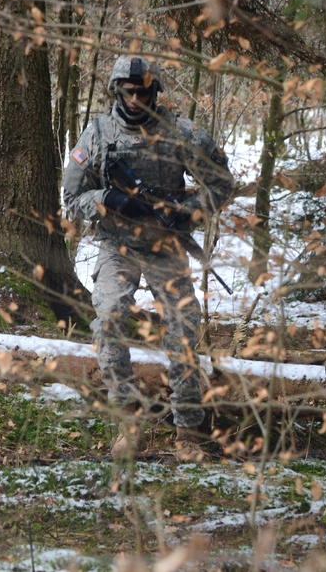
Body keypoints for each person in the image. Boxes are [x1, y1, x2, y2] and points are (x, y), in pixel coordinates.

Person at [62, 55, 234, 461]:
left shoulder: (180, 132)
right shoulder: (98, 135)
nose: (136, 98)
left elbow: (221, 182)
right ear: (116, 90)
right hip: (117, 245)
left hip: (166, 247)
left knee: (184, 329)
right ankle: (128, 422)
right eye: (128, 90)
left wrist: (189, 211)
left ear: (155, 91)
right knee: (108, 319)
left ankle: (188, 433)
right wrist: (109, 198)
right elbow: (72, 197)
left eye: (143, 90)